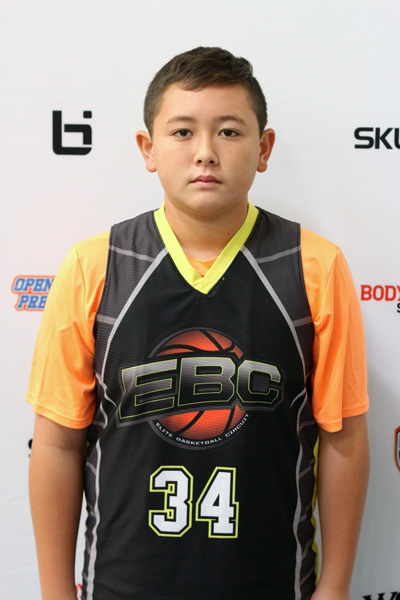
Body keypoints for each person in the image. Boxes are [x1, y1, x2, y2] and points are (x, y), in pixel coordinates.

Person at [27, 47, 369, 600]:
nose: (206, 152)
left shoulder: (314, 266)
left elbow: (344, 437)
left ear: (264, 148)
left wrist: (334, 589)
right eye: (182, 132)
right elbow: (57, 444)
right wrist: (54, 592)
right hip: (123, 585)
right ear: (148, 149)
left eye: (229, 132)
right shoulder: (95, 266)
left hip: (271, 583)